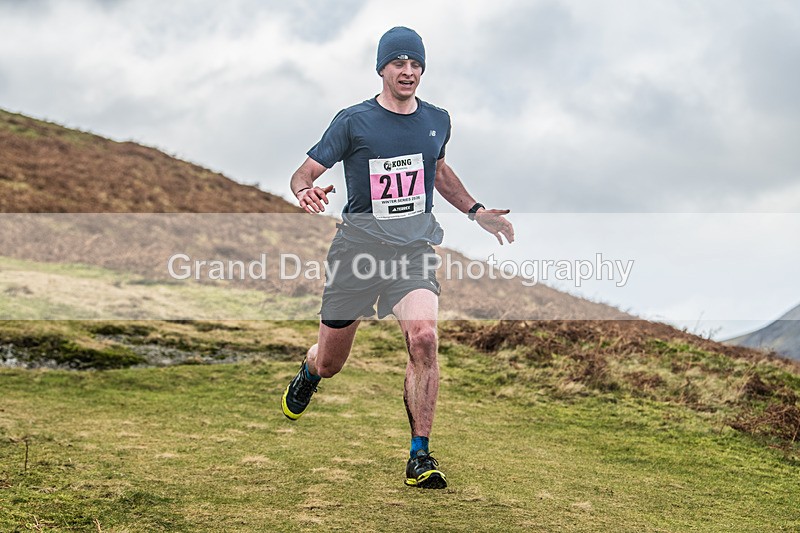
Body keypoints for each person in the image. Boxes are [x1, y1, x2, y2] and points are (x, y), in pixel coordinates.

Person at [281, 26, 515, 489]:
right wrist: (306, 191)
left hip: (412, 251)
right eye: (399, 63)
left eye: (415, 64)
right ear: (382, 69)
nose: (408, 72)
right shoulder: (354, 121)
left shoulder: (438, 120)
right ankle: (310, 371)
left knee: (425, 338)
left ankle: (419, 455)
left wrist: (475, 211)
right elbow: (303, 172)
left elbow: (439, 170)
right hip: (357, 254)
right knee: (331, 362)